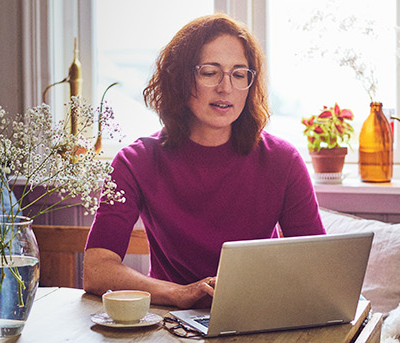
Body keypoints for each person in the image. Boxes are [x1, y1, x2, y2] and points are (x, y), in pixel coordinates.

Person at [82, 13, 325, 309]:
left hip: (257, 316)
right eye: (210, 72)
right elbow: (96, 269)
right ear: (180, 79)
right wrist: (177, 293)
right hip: (168, 319)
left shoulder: (283, 161)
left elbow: (317, 267)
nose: (226, 88)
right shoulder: (135, 162)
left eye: (239, 74)